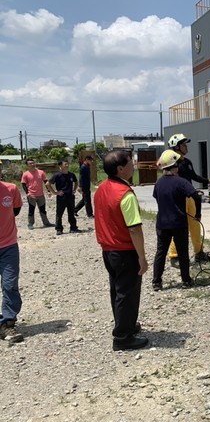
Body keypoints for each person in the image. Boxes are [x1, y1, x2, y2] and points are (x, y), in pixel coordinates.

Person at [94, 150, 148, 351]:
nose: (133, 165)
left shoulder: (101, 189)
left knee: (117, 290)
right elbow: (134, 228)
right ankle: (123, 337)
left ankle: (125, 325)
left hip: (108, 250)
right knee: (128, 293)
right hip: (124, 250)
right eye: (130, 163)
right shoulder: (125, 194)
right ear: (120, 169)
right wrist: (142, 257)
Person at [152, 150, 203, 291]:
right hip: (179, 223)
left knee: (160, 252)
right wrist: (198, 213)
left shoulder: (158, 183)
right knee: (183, 252)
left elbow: (156, 197)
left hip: (162, 223)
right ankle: (186, 280)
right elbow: (197, 196)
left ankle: (157, 282)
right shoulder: (181, 182)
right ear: (175, 166)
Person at [166, 133, 210, 265]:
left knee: (195, 225)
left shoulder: (187, 162)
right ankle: (174, 255)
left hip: (190, 197)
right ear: (176, 147)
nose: (186, 146)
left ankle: (199, 252)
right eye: (183, 144)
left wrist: (208, 181)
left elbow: (193, 176)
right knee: (179, 227)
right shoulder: (172, 162)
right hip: (179, 198)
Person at [0, 179, 24, 343]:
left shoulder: (11, 189)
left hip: (8, 246)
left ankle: (8, 322)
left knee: (10, 284)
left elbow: (15, 210)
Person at [46, 160, 80, 236]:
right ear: (60, 166)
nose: (67, 165)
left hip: (70, 197)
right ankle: (59, 229)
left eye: (67, 164)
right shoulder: (57, 175)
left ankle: (73, 227)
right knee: (59, 213)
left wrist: (74, 190)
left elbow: (76, 182)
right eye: (65, 164)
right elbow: (48, 184)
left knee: (71, 213)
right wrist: (55, 192)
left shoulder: (71, 174)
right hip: (62, 197)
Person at [21, 158, 54, 229]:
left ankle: (46, 223)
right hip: (31, 195)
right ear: (27, 165)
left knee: (43, 210)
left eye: (33, 163)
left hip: (41, 195)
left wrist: (48, 191)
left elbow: (46, 182)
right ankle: (30, 223)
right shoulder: (25, 174)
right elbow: (23, 184)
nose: (32, 164)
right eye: (30, 163)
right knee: (31, 210)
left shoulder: (41, 172)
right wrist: (27, 193)